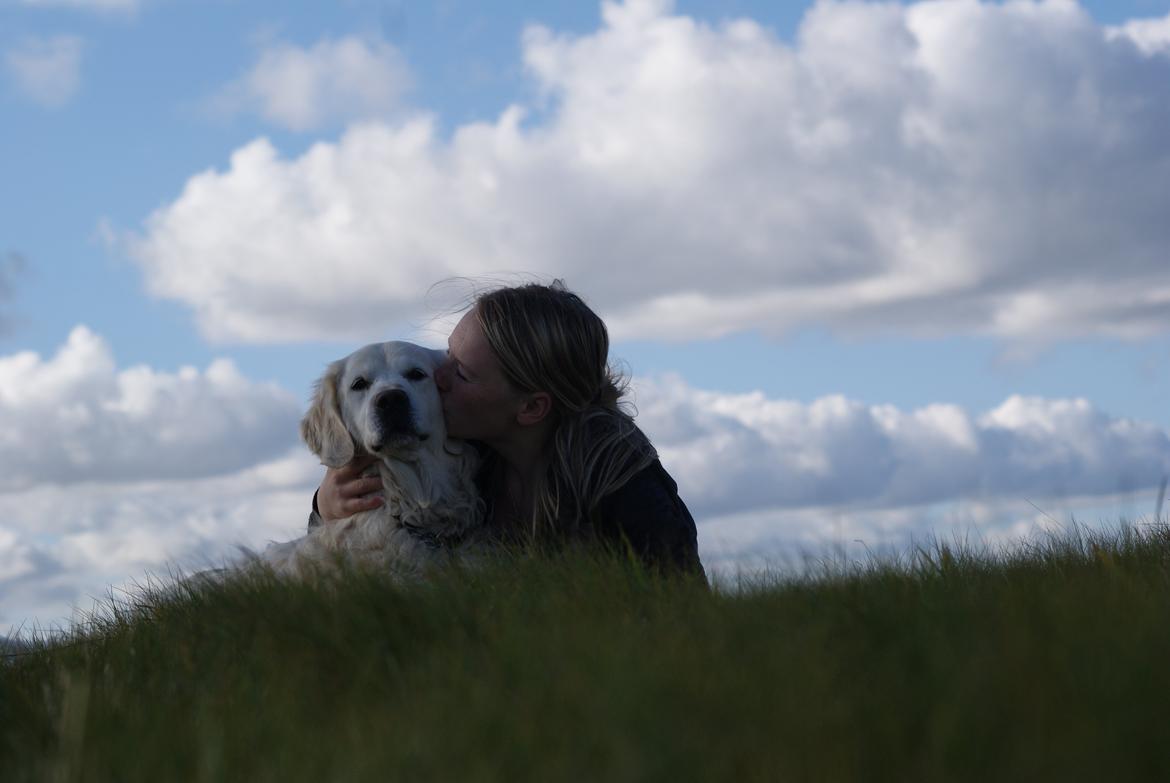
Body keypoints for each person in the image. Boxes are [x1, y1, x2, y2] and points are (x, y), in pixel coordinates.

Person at [312, 281, 704, 577]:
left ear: (531, 408)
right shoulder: (461, 454)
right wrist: (324, 507)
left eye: (461, 373)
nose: (436, 379)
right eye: (447, 356)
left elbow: (681, 598)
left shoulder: (618, 473)